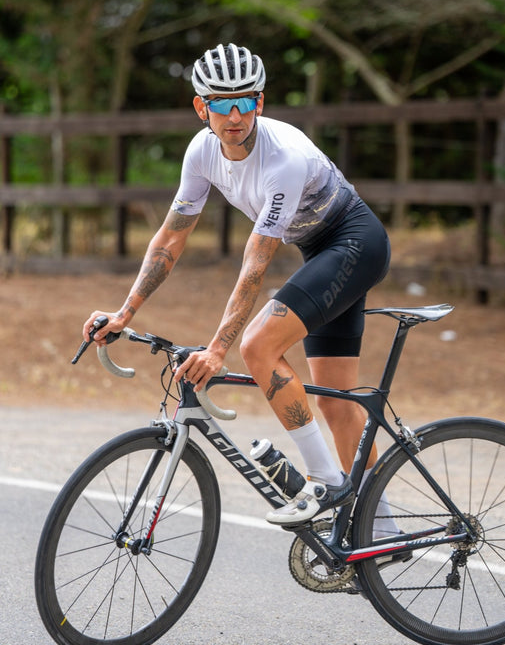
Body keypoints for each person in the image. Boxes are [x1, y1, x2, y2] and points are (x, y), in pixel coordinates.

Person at [83, 42, 392, 528]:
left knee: (257, 346)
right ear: (200, 107)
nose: (234, 115)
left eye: (245, 101)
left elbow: (255, 265)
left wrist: (218, 348)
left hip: (356, 243)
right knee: (334, 400)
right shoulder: (202, 151)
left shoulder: (282, 159)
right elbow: (171, 239)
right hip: (319, 252)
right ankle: (383, 532)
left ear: (260, 103)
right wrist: (125, 313)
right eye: (222, 103)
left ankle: (326, 481)